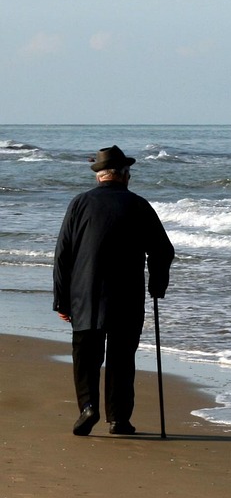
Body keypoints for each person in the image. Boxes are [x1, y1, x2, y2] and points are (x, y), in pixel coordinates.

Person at [53, 145, 175, 437]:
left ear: (99, 176)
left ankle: (88, 407)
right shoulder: (138, 205)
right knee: (121, 358)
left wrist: (61, 300)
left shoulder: (79, 204)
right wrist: (157, 286)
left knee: (86, 356)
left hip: (84, 296)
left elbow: (63, 254)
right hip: (126, 296)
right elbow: (163, 251)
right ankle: (118, 419)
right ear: (124, 175)